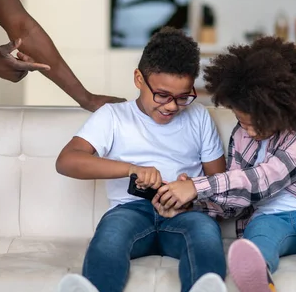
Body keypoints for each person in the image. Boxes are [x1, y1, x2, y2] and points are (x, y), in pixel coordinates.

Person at [154, 37, 296, 292]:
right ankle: (262, 283)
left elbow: (266, 177)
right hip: (268, 218)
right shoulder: (240, 135)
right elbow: (237, 196)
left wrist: (199, 185)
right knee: (255, 241)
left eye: (254, 123)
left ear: (280, 110)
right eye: (241, 121)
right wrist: (191, 204)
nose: (247, 131)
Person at [54, 27, 228, 292]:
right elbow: (67, 160)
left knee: (205, 234)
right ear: (138, 78)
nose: (171, 106)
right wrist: (131, 169)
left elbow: (219, 181)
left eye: (183, 97)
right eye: (162, 95)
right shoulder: (112, 116)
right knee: (110, 237)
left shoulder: (199, 117)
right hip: (131, 210)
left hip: (185, 213)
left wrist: (190, 191)